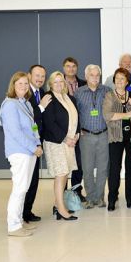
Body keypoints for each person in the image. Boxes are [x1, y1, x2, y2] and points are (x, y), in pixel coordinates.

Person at [0, 72, 44, 236]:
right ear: (13, 86)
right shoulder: (9, 104)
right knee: (19, 189)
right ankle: (13, 226)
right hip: (19, 152)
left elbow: (33, 127)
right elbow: (16, 133)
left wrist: (37, 143)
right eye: (20, 84)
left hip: (30, 150)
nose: (24, 87)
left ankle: (19, 222)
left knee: (23, 188)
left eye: (26, 84)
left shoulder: (25, 103)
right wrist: (33, 148)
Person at [42, 71, 80, 221]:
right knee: (61, 174)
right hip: (56, 143)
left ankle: (58, 205)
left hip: (70, 142)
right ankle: (61, 210)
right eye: (55, 82)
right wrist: (66, 139)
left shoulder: (69, 98)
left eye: (61, 81)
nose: (59, 84)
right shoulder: (49, 98)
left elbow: (76, 117)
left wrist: (76, 135)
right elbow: (49, 123)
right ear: (51, 84)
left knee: (65, 174)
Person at [76, 64, 112, 209]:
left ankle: (100, 198)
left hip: (103, 134)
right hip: (86, 136)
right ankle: (90, 198)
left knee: (103, 168)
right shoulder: (79, 93)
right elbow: (74, 114)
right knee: (88, 168)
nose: (95, 78)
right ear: (86, 76)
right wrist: (78, 130)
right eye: (92, 75)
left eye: (97, 75)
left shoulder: (107, 91)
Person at [103, 68, 131, 211]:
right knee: (114, 169)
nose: (119, 81)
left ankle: (129, 198)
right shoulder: (109, 96)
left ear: (127, 81)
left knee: (130, 169)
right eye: (117, 78)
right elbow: (107, 115)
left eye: (122, 78)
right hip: (115, 137)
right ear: (114, 80)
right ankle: (112, 199)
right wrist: (127, 114)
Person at [22, 64, 51, 223]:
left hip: (38, 142)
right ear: (29, 75)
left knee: (33, 180)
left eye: (42, 76)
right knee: (25, 181)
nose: (40, 79)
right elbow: (29, 118)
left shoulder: (42, 93)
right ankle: (20, 213)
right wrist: (41, 107)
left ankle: (27, 212)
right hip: (27, 143)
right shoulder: (24, 93)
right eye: (37, 75)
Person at [62, 57, 86, 200]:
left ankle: (76, 191)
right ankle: (63, 193)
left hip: (79, 130)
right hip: (64, 131)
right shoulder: (58, 84)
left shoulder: (83, 84)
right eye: (68, 66)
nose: (71, 69)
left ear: (77, 68)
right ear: (64, 68)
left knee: (79, 162)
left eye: (73, 66)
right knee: (64, 164)